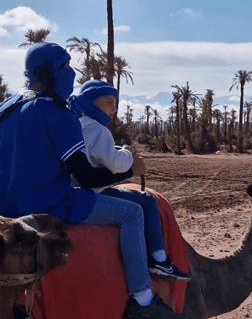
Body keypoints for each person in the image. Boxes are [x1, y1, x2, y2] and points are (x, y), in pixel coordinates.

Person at [0, 42, 184, 318]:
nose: (70, 72)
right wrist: (129, 170)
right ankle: (144, 301)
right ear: (49, 71)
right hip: (51, 204)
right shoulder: (56, 113)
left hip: (7, 207)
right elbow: (86, 177)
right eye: (64, 66)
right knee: (133, 213)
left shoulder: (6, 108)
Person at [68, 79, 190, 282]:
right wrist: (128, 156)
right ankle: (158, 261)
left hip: (77, 190)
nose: (114, 109)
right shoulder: (98, 130)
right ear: (91, 102)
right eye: (109, 102)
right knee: (145, 203)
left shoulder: (76, 126)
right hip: (93, 194)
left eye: (115, 104)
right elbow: (116, 164)